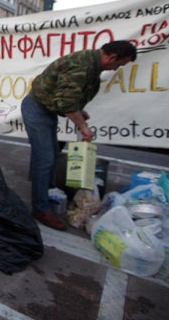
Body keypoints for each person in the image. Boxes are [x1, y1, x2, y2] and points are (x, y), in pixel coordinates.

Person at [21, 41, 137, 231]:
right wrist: (82, 126)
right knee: (46, 158)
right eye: (118, 65)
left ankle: (46, 191)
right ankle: (41, 208)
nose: (116, 68)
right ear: (112, 57)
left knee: (50, 153)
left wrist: (79, 111)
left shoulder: (92, 64)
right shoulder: (82, 65)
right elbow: (66, 101)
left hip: (47, 108)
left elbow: (68, 94)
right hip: (37, 108)